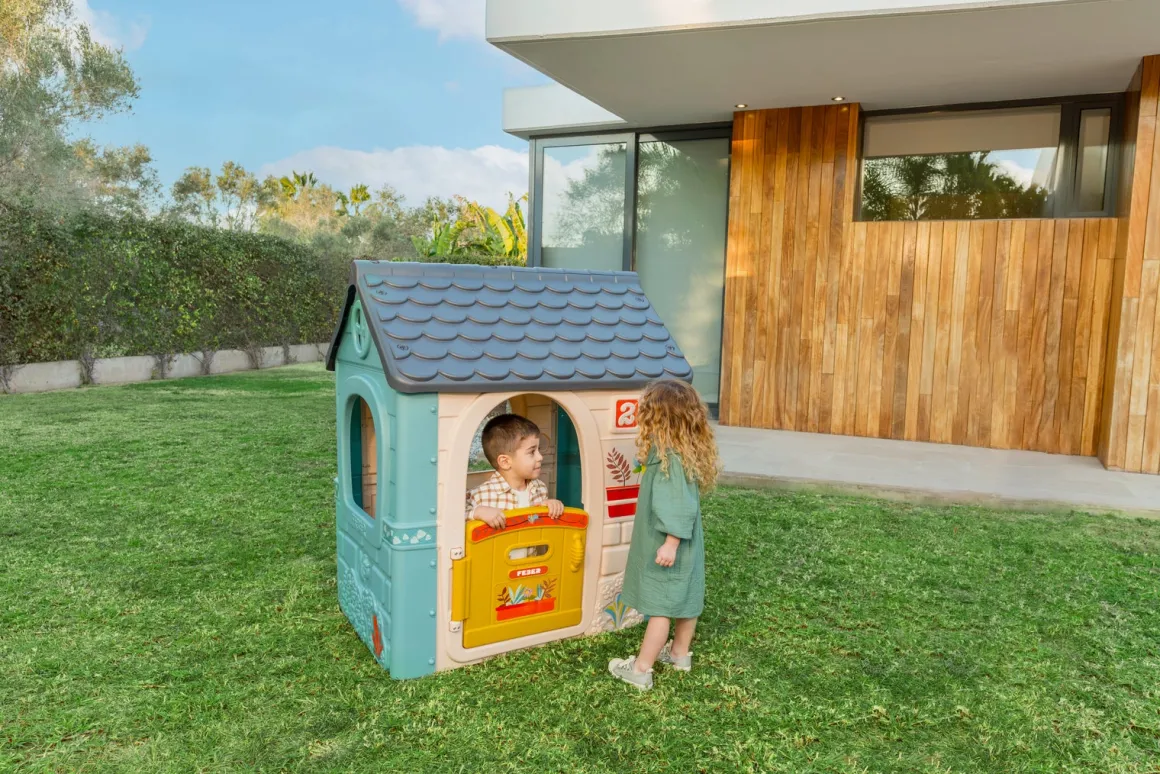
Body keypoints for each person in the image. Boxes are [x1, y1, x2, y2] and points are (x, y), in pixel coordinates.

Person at [608, 379, 719, 691]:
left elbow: (678, 507)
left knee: (661, 607)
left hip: (668, 542)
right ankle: (679, 654)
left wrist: (670, 544)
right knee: (685, 599)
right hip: (685, 544)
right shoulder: (676, 453)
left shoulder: (671, 464)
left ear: (657, 419)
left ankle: (641, 669)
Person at [465, 414, 565, 531]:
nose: (540, 457)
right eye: (532, 452)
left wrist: (551, 508)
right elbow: (452, 520)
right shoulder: (479, 495)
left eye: (539, 450)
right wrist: (477, 512)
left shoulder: (540, 489)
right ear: (505, 462)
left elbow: (535, 522)